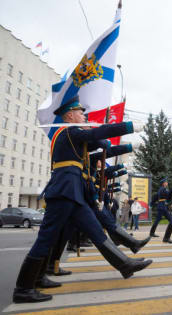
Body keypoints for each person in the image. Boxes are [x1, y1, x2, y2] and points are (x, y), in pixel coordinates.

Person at [12, 96, 152, 304]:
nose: (84, 116)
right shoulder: (68, 131)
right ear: (69, 115)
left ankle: (125, 265)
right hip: (64, 192)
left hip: (73, 193)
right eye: (80, 112)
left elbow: (99, 140)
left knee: (96, 230)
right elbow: (97, 134)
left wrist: (117, 142)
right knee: (46, 238)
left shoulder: (72, 133)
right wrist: (129, 126)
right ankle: (23, 289)